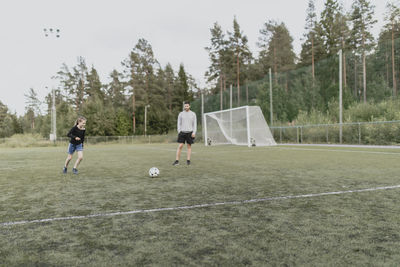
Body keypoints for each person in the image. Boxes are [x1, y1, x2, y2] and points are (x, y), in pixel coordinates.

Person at [173, 101, 197, 166]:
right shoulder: (181, 114)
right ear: (184, 106)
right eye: (185, 106)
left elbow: (194, 124)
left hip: (190, 133)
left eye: (187, 106)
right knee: (180, 146)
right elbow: (179, 123)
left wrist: (194, 132)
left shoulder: (193, 114)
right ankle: (177, 161)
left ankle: (188, 160)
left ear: (189, 106)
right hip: (182, 133)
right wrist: (179, 131)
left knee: (189, 146)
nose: (186, 107)